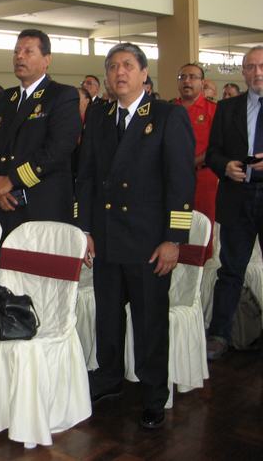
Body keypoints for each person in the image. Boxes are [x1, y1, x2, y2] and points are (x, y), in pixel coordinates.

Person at [76, 42, 195, 430]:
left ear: (145, 74)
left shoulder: (166, 116)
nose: (119, 72)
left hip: (148, 242)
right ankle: (109, 377)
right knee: (107, 317)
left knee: (149, 322)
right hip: (107, 237)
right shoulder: (99, 115)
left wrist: (174, 239)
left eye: (128, 65)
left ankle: (154, 393)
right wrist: (85, 229)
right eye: (112, 66)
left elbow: (181, 182)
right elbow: (86, 176)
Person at [0, 28, 81, 238]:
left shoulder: (61, 95)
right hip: (3, 205)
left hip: (41, 207)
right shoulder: (3, 99)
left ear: (46, 60)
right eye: (16, 51)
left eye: (28, 51)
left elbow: (58, 148)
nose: (19, 56)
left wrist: (12, 180)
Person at [205, 45, 263, 360]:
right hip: (237, 197)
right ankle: (219, 334)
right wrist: (224, 166)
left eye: (262, 66)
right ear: (243, 72)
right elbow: (213, 153)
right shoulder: (228, 109)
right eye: (250, 67)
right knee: (230, 270)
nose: (257, 73)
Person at [173, 64, 218, 260]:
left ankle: (199, 265)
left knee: (203, 223)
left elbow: (216, 147)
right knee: (177, 222)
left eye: (192, 77)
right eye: (182, 77)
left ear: (202, 82)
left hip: (203, 177)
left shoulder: (213, 110)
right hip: (174, 179)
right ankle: (177, 261)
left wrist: (189, 163)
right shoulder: (169, 109)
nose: (187, 81)